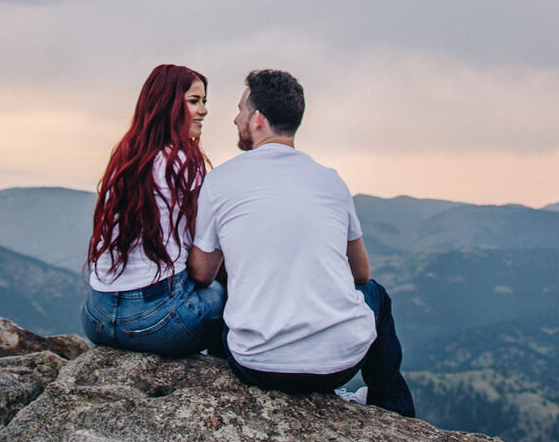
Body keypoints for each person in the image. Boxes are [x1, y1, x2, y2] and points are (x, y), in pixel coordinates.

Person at [188, 68, 414, 416]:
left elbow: (201, 273)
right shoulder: (330, 182)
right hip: (338, 365)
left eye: (240, 110)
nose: (235, 119)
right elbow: (361, 273)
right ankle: (394, 413)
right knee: (377, 296)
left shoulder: (220, 180)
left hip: (255, 364)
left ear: (258, 119)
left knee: (219, 295)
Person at [80, 63, 226, 355]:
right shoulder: (184, 162)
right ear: (169, 105)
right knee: (221, 293)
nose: (204, 110)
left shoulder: (126, 159)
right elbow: (202, 271)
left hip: (96, 317)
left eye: (204, 102)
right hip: (154, 323)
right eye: (194, 102)